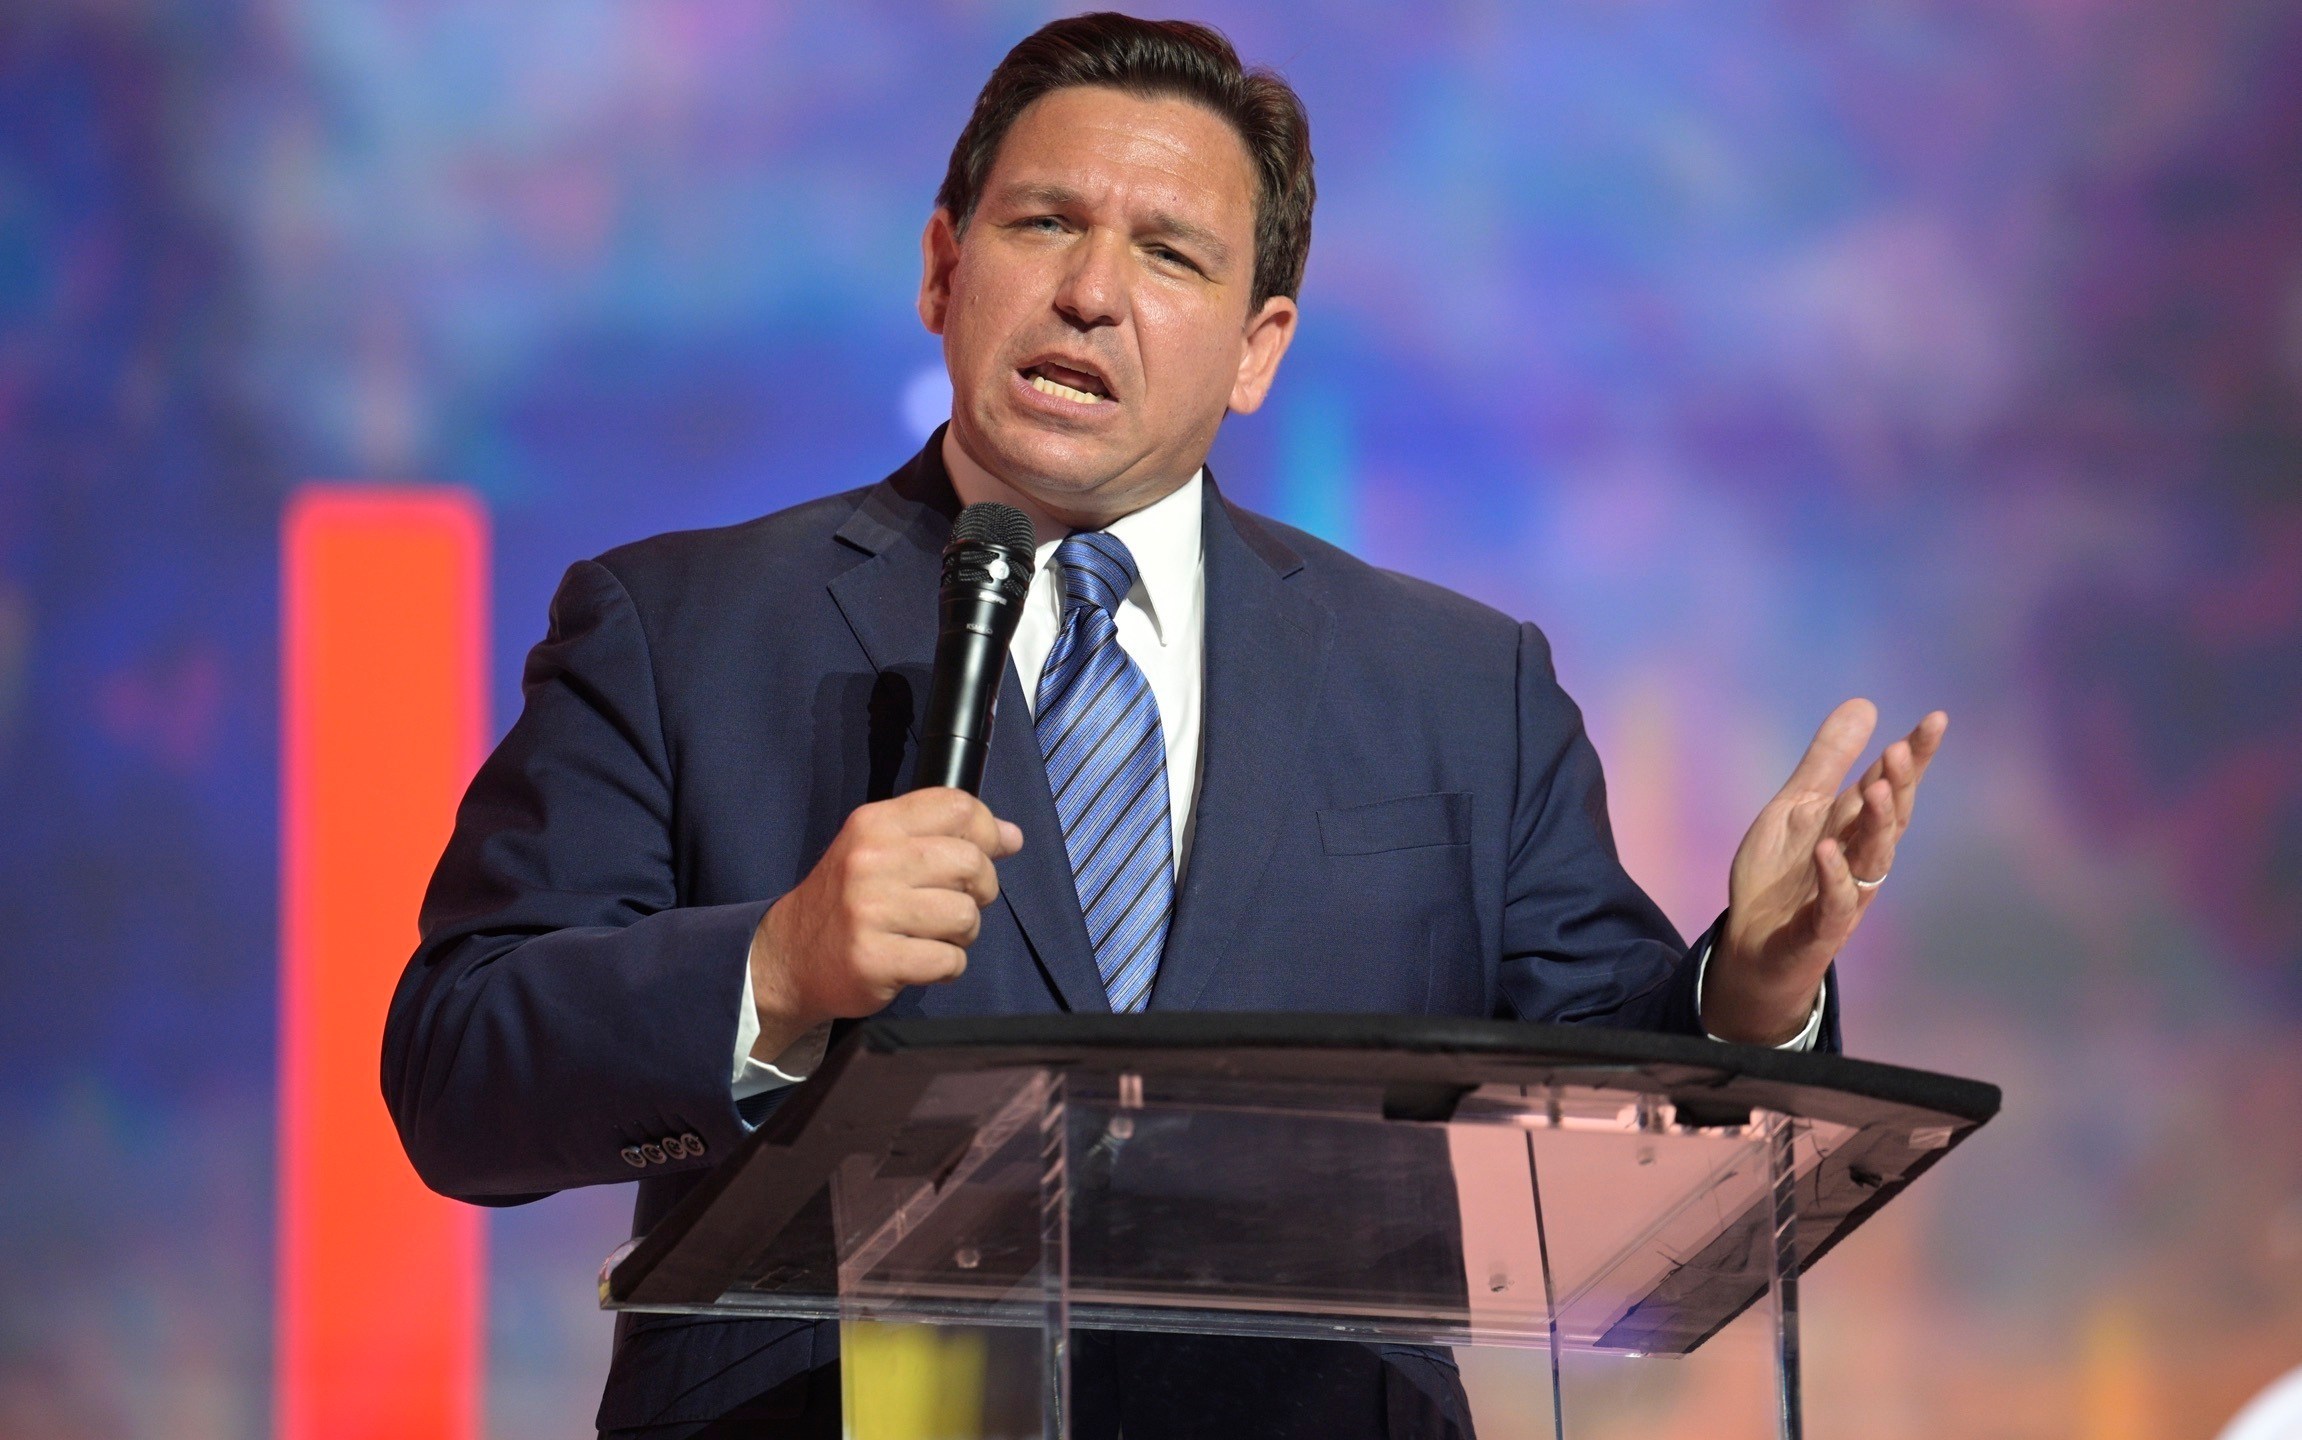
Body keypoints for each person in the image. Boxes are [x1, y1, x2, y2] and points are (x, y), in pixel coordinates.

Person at [383, 13, 1946, 1438]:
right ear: (942, 265)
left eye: (1170, 255)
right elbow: (458, 1081)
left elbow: (1611, 1118)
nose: (1089, 291)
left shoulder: (1457, 685)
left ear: (1257, 346)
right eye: (1043, 222)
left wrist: (1747, 993)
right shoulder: (680, 627)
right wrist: (774, 973)